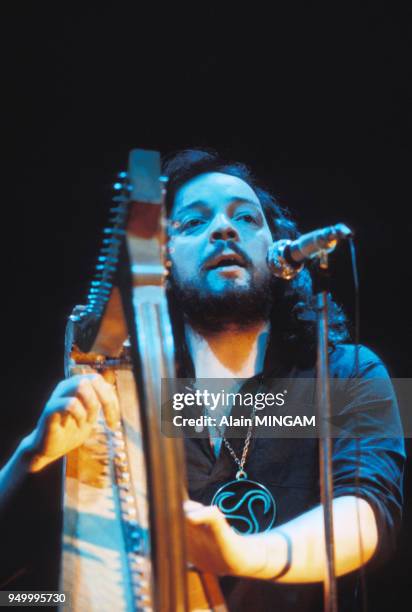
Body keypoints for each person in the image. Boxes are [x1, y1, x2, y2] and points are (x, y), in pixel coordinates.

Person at [0, 150, 405, 611]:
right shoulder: (126, 391)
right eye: (193, 223)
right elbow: (14, 587)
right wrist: (30, 457)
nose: (224, 229)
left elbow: (369, 514)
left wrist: (243, 554)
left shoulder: (350, 370)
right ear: (161, 262)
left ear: (279, 250)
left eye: (246, 218)